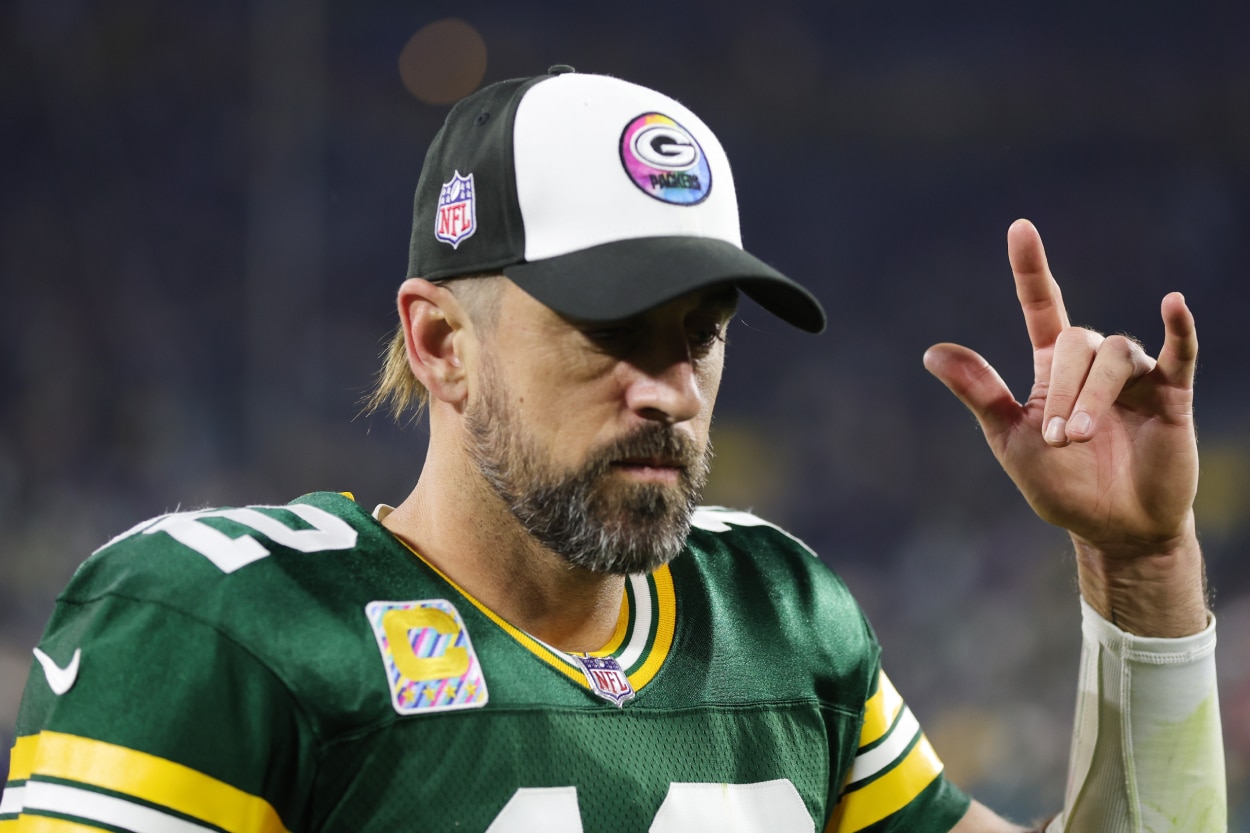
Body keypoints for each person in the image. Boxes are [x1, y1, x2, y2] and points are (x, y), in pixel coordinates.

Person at [2, 67, 1224, 833]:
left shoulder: (775, 614)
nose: (670, 390)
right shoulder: (218, 628)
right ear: (438, 342)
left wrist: (1140, 567)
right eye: (607, 332)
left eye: (699, 335)